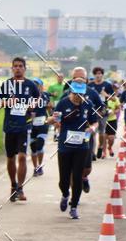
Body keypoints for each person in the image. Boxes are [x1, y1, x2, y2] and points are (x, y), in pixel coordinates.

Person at [0, 57, 40, 201]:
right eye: (15, 66)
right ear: (12, 68)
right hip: (9, 127)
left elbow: (39, 99)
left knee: (22, 157)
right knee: (10, 158)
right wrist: (7, 101)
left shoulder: (30, 85)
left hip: (24, 127)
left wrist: (33, 104)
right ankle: (13, 185)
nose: (18, 68)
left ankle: (20, 188)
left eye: (20, 66)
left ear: (25, 68)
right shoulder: (6, 85)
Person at [52, 80, 98, 220]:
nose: (78, 97)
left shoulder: (88, 104)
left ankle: (74, 207)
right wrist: (54, 120)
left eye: (81, 94)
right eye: (76, 94)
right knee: (63, 180)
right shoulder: (63, 103)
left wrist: (93, 128)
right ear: (71, 92)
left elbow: (94, 121)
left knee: (77, 177)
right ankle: (65, 194)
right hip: (65, 146)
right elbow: (55, 119)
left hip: (82, 146)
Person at [28, 78, 52, 176]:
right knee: (33, 147)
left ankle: (40, 165)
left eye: (37, 84)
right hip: (31, 124)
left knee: (40, 145)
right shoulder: (28, 96)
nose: (35, 86)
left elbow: (50, 106)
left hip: (43, 123)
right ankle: (35, 167)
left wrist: (51, 115)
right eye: (34, 84)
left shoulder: (45, 95)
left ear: (41, 86)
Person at [88, 67, 114, 158]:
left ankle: (100, 146)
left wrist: (106, 95)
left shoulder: (107, 85)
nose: (98, 75)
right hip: (92, 111)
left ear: (102, 74)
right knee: (93, 132)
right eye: (96, 73)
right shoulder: (90, 85)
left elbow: (114, 99)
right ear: (94, 75)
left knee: (102, 132)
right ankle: (92, 153)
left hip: (103, 111)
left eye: (100, 73)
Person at [104, 90, 121, 157]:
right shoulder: (101, 98)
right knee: (104, 137)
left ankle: (109, 147)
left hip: (112, 120)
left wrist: (114, 112)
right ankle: (104, 152)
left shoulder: (115, 99)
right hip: (104, 120)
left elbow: (119, 108)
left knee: (111, 138)